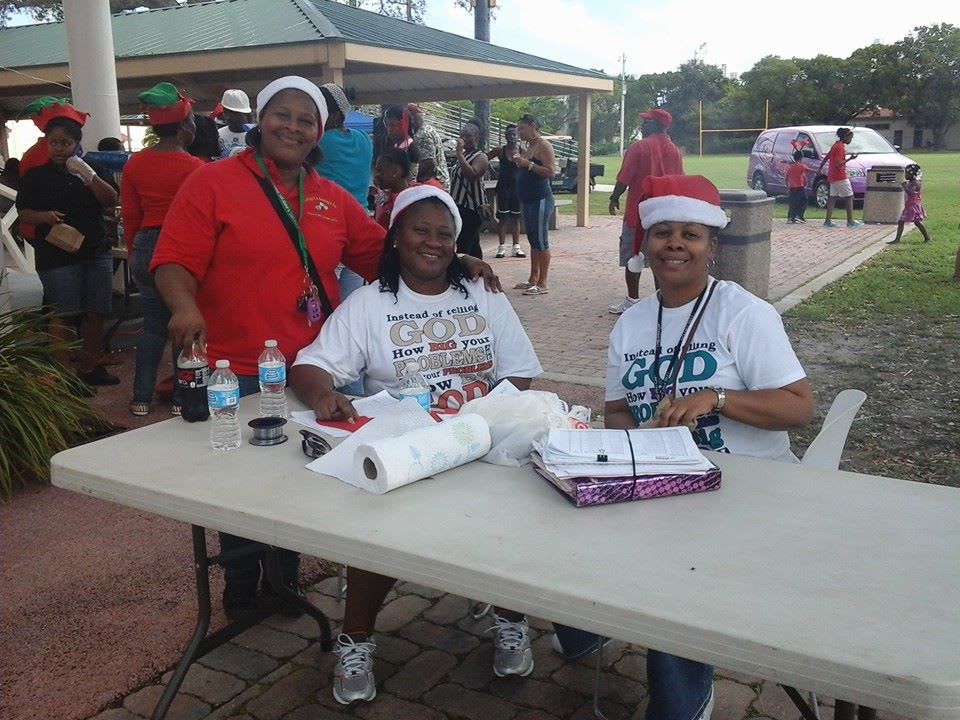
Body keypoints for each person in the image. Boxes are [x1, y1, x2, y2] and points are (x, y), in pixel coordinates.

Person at [152, 76, 499, 620]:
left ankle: (284, 579)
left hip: (304, 367)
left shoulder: (331, 199)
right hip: (232, 367)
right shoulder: (212, 183)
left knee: (294, 476)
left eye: (305, 120)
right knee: (238, 483)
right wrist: (183, 305)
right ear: (261, 120)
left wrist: (460, 264)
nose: (292, 127)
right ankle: (241, 583)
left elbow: (392, 256)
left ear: (320, 132)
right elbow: (174, 258)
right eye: (282, 115)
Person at [288, 185, 543, 704]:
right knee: (374, 523)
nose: (432, 242)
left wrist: (474, 418)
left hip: (481, 438)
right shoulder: (369, 304)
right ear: (397, 236)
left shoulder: (482, 293)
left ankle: (510, 615)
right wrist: (323, 395)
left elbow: (520, 373)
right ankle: (356, 639)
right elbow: (310, 364)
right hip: (409, 444)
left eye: (444, 234)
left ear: (457, 244)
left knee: (511, 516)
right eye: (419, 230)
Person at [604, 174, 814, 720]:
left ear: (711, 247)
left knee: (671, 571)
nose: (675, 244)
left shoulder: (743, 313)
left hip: (748, 487)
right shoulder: (630, 324)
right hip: (661, 481)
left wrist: (716, 397)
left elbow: (798, 406)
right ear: (645, 246)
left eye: (690, 234)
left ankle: (681, 701)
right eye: (663, 233)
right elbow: (616, 410)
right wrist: (636, 439)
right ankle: (582, 632)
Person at [16, 100, 120, 386]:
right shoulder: (36, 175)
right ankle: (63, 377)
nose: (59, 148)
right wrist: (44, 216)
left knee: (96, 310)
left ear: (77, 143)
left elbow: (111, 200)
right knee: (63, 313)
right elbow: (24, 211)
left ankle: (90, 367)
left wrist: (88, 174)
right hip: (56, 253)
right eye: (53, 143)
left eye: (65, 143)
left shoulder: (92, 167)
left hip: (95, 248)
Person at [121, 82, 204, 417]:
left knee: (153, 325)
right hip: (180, 248)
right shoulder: (197, 168)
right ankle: (181, 397)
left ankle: (140, 398)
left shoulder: (134, 164)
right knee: (182, 324)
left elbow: (130, 215)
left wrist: (133, 252)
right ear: (185, 126)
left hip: (143, 244)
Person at [608, 108, 683, 314]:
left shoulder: (639, 147)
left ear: (657, 125)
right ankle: (663, 301)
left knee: (634, 256)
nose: (643, 125)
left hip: (638, 213)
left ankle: (632, 300)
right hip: (664, 214)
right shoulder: (674, 150)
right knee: (661, 257)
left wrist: (614, 197)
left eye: (647, 122)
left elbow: (624, 179)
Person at [314, 82, 374, 305]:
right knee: (351, 298)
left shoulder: (319, 142)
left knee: (326, 295)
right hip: (361, 222)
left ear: (333, 114)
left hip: (329, 221)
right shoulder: (364, 139)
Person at [512, 113, 556, 296]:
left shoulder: (543, 145)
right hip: (528, 199)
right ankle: (533, 278)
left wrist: (528, 164)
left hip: (540, 199)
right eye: (518, 129)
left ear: (533, 126)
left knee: (541, 240)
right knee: (532, 239)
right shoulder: (529, 146)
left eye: (522, 129)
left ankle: (543, 282)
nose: (519, 133)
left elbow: (550, 171)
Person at [449, 120, 488, 259]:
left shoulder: (481, 157)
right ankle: (479, 271)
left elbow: (472, 174)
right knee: (473, 244)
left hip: (471, 208)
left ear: (476, 137)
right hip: (458, 205)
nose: (464, 139)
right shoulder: (464, 156)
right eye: (462, 136)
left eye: (468, 136)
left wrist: (459, 154)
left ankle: (466, 272)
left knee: (464, 244)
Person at [488, 123, 525, 259]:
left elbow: (528, 165)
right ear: (505, 136)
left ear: (517, 136)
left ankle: (516, 247)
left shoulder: (522, 151)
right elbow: (484, 158)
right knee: (503, 218)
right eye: (509, 134)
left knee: (516, 218)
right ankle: (501, 247)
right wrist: (493, 172)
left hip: (517, 188)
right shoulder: (500, 150)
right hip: (503, 187)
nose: (512, 137)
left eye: (514, 134)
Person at [818, 127, 862, 228]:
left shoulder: (835, 145)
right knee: (849, 197)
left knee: (833, 198)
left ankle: (827, 221)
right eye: (850, 138)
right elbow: (838, 163)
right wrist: (850, 159)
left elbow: (826, 157)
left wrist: (820, 168)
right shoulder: (840, 147)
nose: (850, 140)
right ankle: (850, 221)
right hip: (840, 176)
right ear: (846, 136)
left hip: (832, 176)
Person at [408, 103, 449, 190]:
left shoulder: (422, 135)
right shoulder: (428, 129)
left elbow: (429, 163)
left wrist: (411, 180)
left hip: (434, 184)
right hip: (439, 183)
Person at [887, 163, 931, 244]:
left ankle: (927, 237)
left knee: (917, 222)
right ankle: (897, 239)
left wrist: (904, 186)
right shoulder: (910, 181)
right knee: (901, 221)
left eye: (907, 173)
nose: (905, 175)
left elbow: (911, 192)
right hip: (909, 205)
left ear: (913, 174)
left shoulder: (915, 183)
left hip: (913, 205)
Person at [371, 146, 412, 230]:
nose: (376, 175)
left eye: (380, 170)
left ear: (395, 172)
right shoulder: (385, 196)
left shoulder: (406, 204)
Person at [381, 105, 420, 182]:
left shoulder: (411, 147)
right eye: (387, 125)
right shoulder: (394, 146)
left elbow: (411, 179)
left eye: (393, 125)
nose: (389, 130)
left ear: (404, 125)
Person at [217, 88, 253, 158]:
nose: (229, 117)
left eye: (235, 114)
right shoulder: (217, 135)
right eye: (226, 112)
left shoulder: (256, 135)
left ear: (246, 114)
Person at [786, 148, 808, 224]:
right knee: (804, 200)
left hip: (792, 187)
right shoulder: (801, 166)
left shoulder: (791, 166)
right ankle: (799, 215)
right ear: (801, 157)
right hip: (799, 187)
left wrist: (787, 186)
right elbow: (808, 170)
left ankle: (790, 217)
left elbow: (787, 177)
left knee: (793, 202)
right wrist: (817, 171)